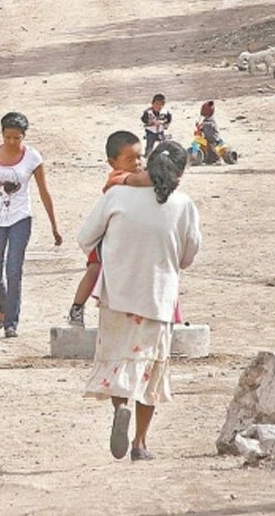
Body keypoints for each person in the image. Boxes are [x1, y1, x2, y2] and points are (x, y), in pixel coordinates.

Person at [78, 140, 200, 461]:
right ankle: (140, 444)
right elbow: (188, 257)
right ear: (180, 172)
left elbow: (85, 237)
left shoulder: (117, 194)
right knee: (152, 369)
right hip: (159, 297)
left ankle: (121, 408)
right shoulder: (184, 204)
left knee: (118, 358)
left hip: (117, 294)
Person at [0, 112, 63, 338]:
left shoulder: (33, 157)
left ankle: (11, 323)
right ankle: (5, 308)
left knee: (14, 270)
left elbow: (44, 191)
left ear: (24, 136)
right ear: (2, 134)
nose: (12, 142)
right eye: (8, 137)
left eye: (17, 138)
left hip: (20, 218)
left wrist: (54, 225)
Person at [67, 130, 151, 327]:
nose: (137, 163)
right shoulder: (119, 177)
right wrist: (165, 177)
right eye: (130, 159)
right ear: (113, 163)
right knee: (94, 270)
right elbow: (138, 181)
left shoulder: (139, 176)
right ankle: (77, 307)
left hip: (128, 236)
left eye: (140, 157)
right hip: (105, 237)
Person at [140, 93, 172, 157]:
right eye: (157, 104)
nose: (158, 106)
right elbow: (143, 119)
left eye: (161, 105)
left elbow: (169, 118)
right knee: (150, 145)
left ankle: (163, 154)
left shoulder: (165, 112)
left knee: (163, 143)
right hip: (151, 132)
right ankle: (148, 156)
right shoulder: (148, 112)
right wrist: (150, 122)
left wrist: (166, 124)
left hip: (160, 131)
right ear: (152, 103)